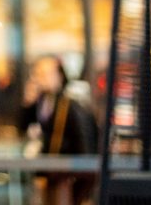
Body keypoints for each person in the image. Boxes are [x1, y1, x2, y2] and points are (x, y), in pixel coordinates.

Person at [19, 56, 97, 205]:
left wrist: (83, 184)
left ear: (59, 75)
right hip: (48, 173)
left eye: (45, 73)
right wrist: (28, 102)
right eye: (37, 73)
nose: (39, 78)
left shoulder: (70, 105)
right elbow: (23, 127)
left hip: (66, 175)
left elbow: (84, 145)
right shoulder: (40, 101)